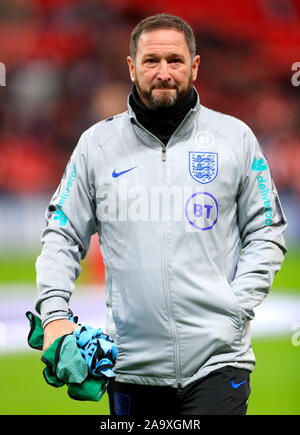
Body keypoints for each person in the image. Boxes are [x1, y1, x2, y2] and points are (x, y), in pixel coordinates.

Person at [35, 13, 287, 415]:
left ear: (195, 65)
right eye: (151, 61)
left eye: (175, 60)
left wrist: (235, 309)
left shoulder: (235, 138)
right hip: (132, 368)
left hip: (219, 365)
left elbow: (267, 230)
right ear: (132, 67)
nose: (164, 72)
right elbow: (62, 235)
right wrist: (54, 316)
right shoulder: (96, 145)